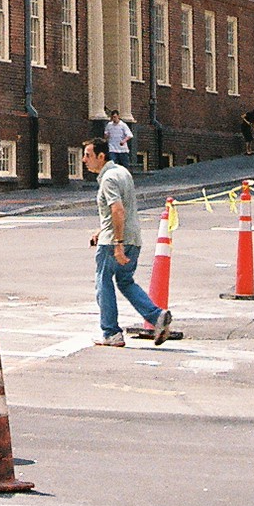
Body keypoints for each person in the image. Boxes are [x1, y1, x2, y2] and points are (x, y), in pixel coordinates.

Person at [83, 136, 173, 348]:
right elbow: (119, 211)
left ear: (101, 156)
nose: (85, 160)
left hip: (115, 241)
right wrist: (101, 229)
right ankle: (156, 316)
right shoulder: (123, 172)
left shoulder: (108, 179)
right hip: (135, 238)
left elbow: (118, 209)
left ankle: (111, 332)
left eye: (88, 155)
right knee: (125, 281)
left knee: (103, 282)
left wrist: (117, 243)